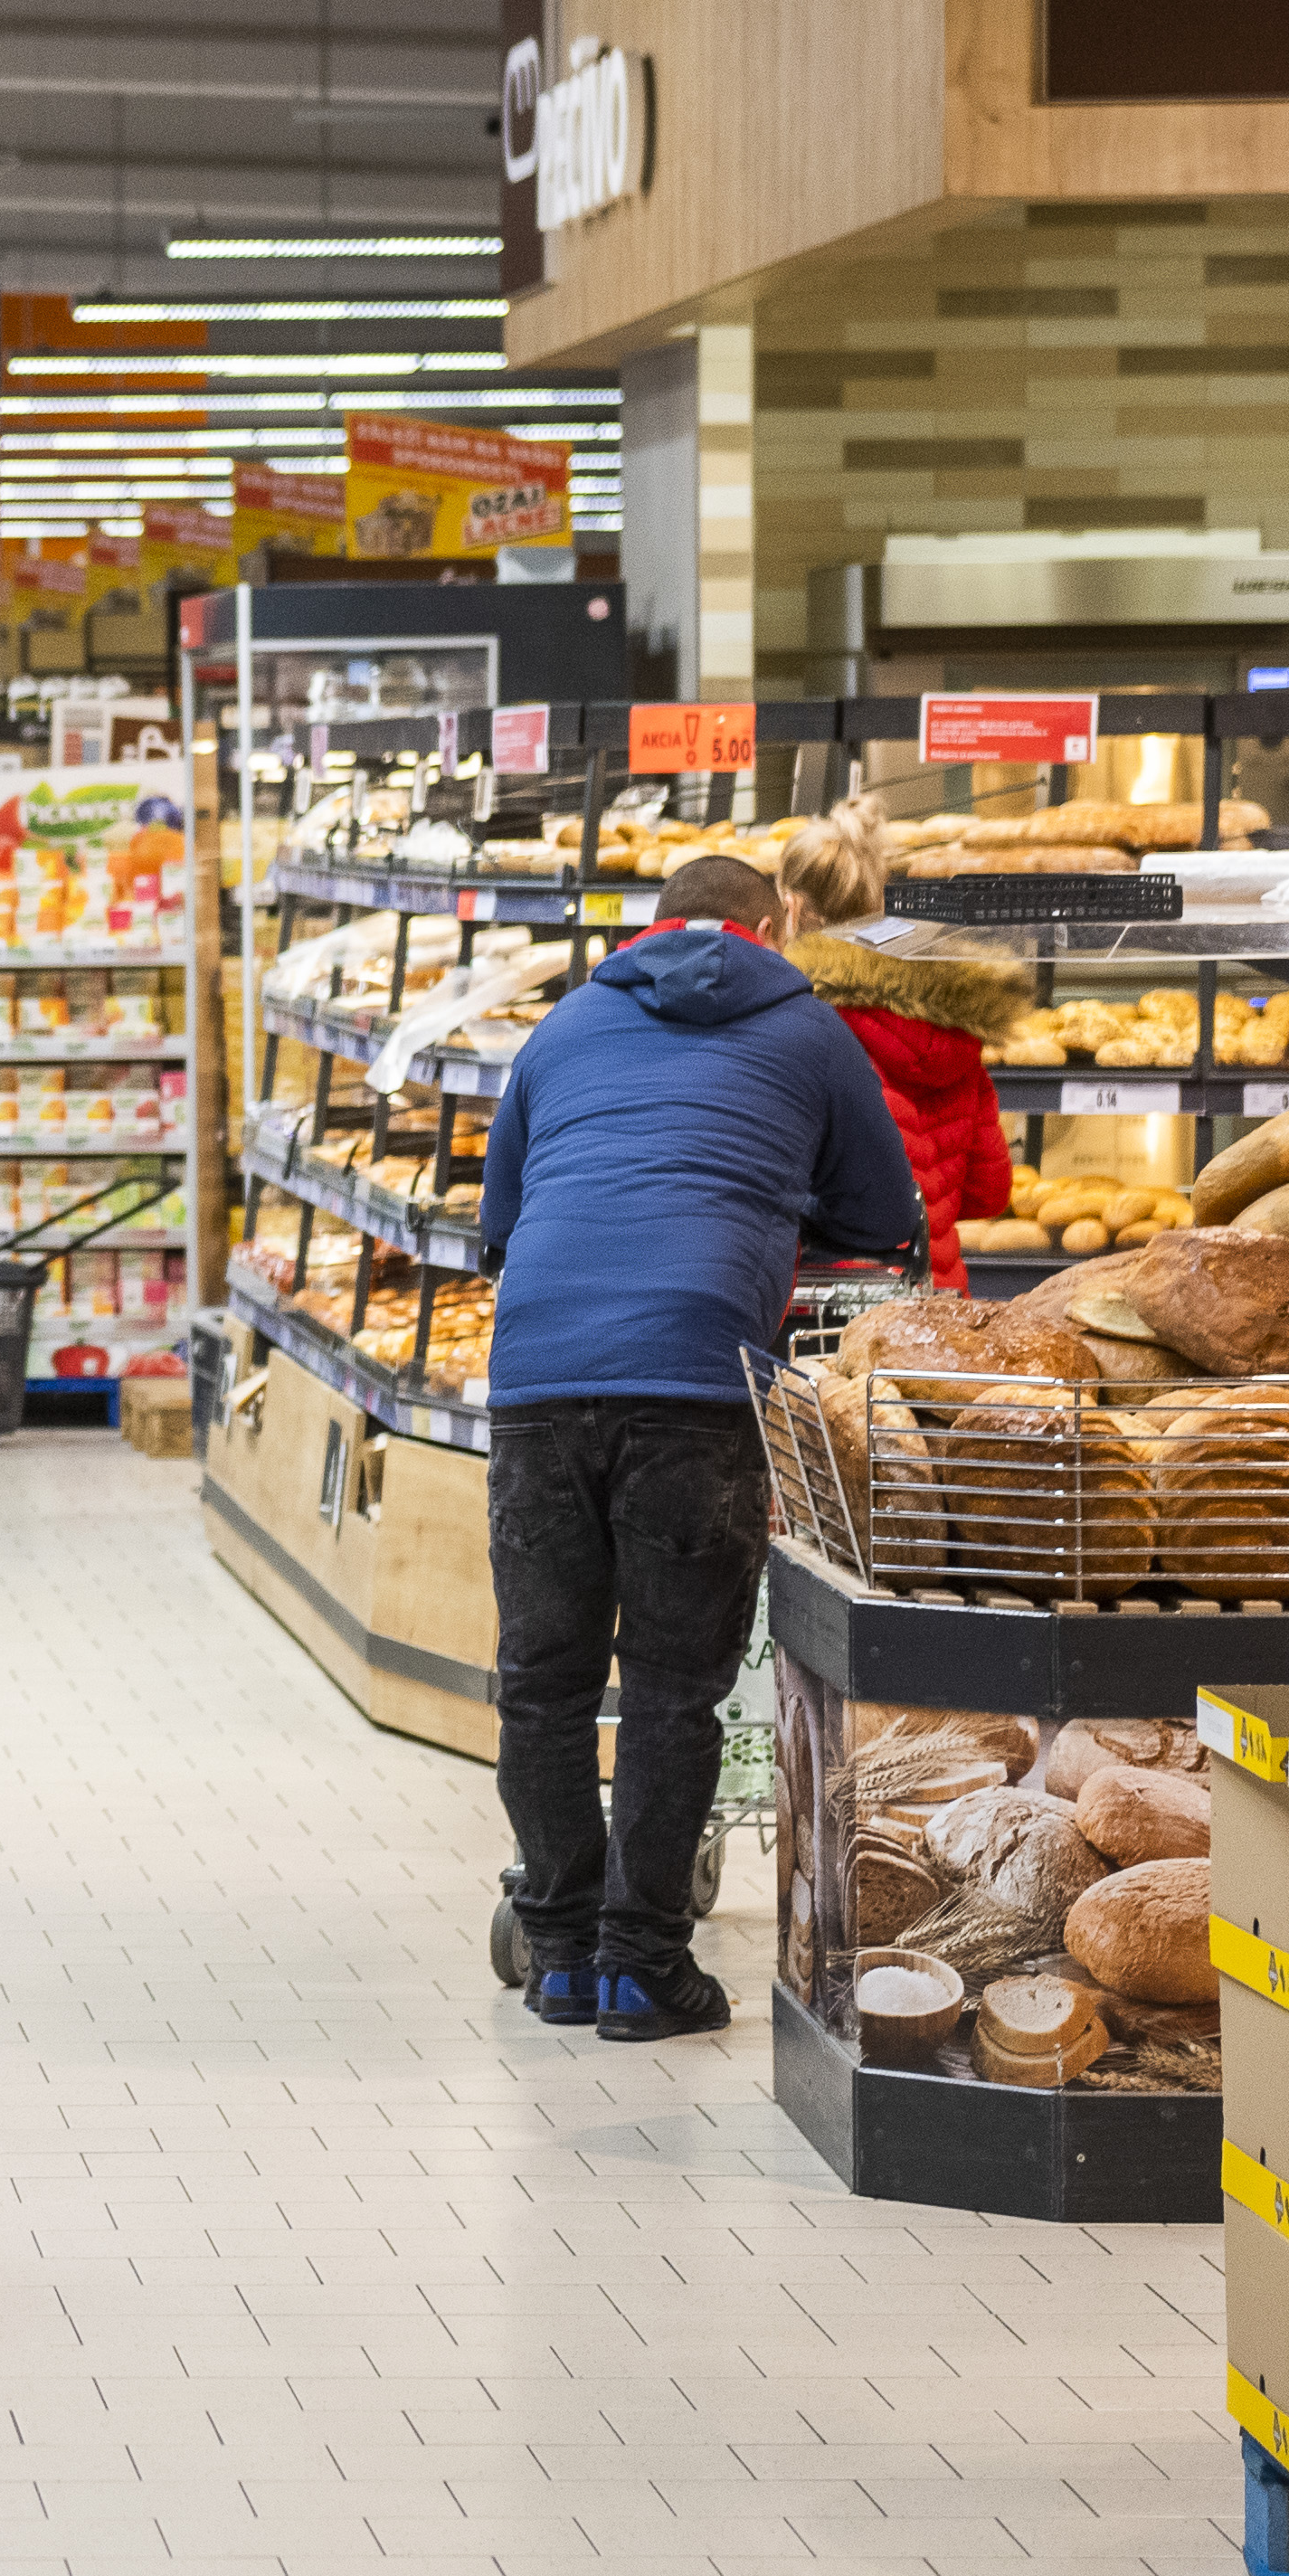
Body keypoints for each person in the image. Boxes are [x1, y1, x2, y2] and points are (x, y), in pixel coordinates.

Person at [475, 849, 924, 2043]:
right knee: (676, 1683)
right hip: (694, 1371)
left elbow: (499, 1222)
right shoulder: (812, 1032)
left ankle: (561, 1951)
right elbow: (886, 1223)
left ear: (652, 925)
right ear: (770, 923)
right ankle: (641, 1967)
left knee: (544, 1678)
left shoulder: (565, 1024)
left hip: (537, 1370)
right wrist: (771, 1199)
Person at [772, 806, 1024, 1290]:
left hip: (837, 1304)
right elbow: (990, 1193)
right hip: (940, 1298)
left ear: (792, 906)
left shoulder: (802, 1026)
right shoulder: (956, 1023)